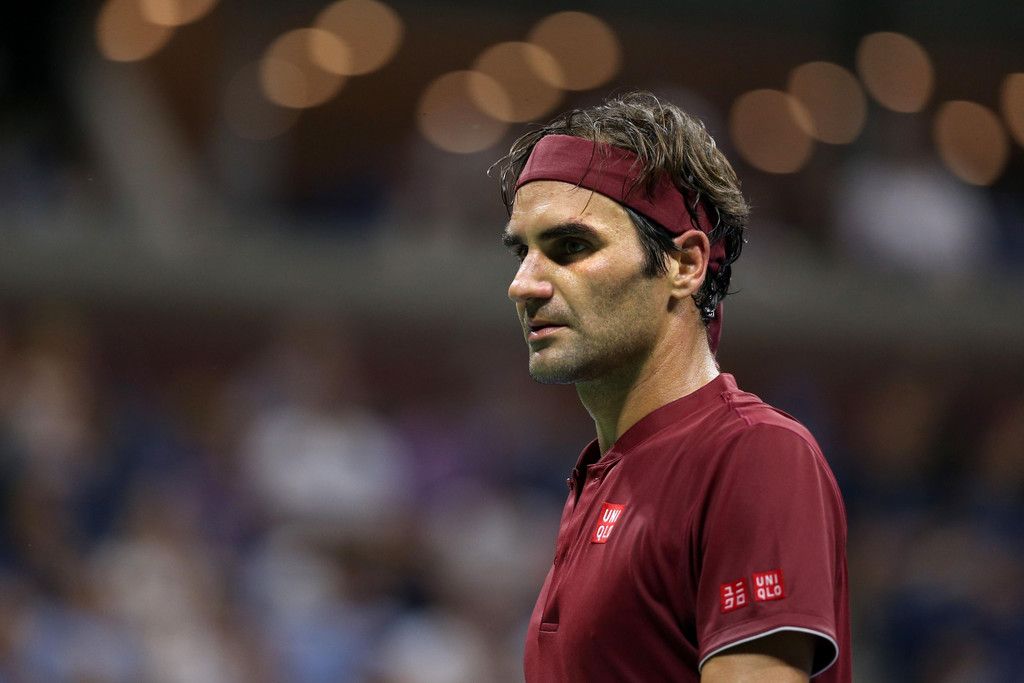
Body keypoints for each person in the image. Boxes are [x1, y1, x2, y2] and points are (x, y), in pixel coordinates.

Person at [492, 92, 850, 682]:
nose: (523, 284)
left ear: (685, 264)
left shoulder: (754, 455)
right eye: (521, 251)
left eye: (571, 246)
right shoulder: (600, 476)